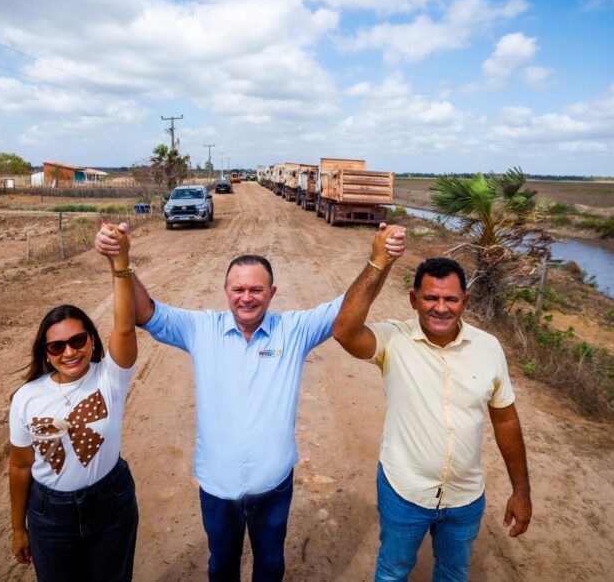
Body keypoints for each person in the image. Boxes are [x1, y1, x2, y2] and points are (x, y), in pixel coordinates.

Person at [95, 223, 405, 582]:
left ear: (272, 293)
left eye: (256, 289)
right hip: (217, 484)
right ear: (225, 291)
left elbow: (349, 306)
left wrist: (381, 259)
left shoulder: (295, 330)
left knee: (270, 566)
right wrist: (120, 261)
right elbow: (145, 312)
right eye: (238, 289)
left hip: (272, 485)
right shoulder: (200, 329)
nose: (247, 297)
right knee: (221, 566)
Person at [332, 227, 532, 582]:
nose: (441, 308)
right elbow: (345, 331)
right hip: (403, 490)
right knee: (393, 571)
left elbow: (506, 421)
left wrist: (521, 491)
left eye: (451, 299)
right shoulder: (393, 340)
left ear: (465, 302)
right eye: (430, 299)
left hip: (465, 498)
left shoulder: (489, 348)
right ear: (413, 299)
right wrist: (380, 261)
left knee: (454, 573)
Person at [9, 222, 139, 581]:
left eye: (78, 341)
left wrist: (120, 260)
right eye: (57, 346)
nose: (69, 352)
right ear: (46, 353)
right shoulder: (26, 398)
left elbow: (125, 326)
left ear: (91, 342)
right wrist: (19, 528)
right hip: (50, 514)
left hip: (110, 504)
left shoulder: (110, 377)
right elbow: (20, 467)